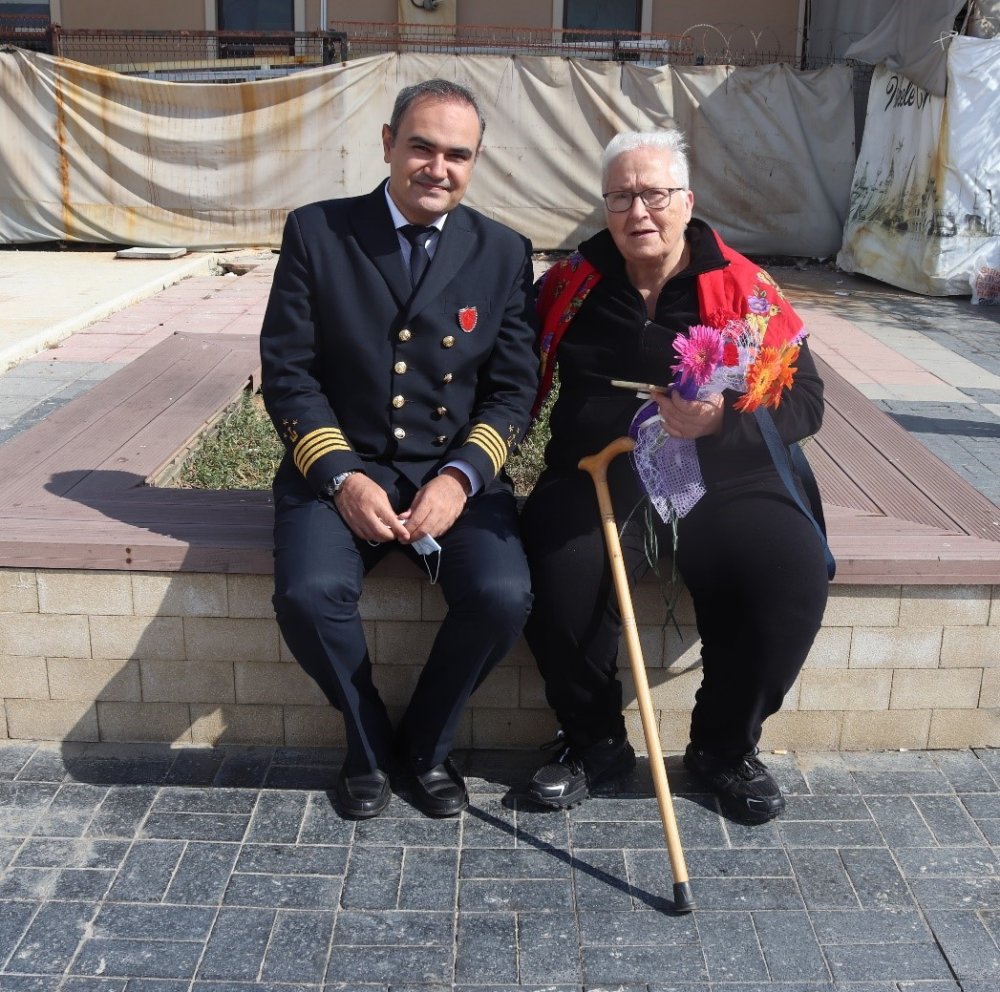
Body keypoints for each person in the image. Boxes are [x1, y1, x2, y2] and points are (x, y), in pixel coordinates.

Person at [520, 128, 829, 824]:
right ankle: (594, 744)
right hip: (602, 473)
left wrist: (722, 423)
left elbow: (806, 401)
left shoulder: (743, 287)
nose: (639, 212)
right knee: (558, 572)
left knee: (788, 575)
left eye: (655, 195)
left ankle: (724, 747)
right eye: (621, 196)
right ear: (604, 206)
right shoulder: (570, 286)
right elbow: (510, 374)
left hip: (728, 474)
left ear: (687, 201)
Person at [260, 79, 538, 820]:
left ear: (475, 162)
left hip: (451, 471)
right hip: (342, 464)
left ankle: (424, 746)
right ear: (387, 144)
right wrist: (341, 477)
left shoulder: (503, 251)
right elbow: (288, 375)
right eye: (421, 147)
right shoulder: (319, 232)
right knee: (309, 596)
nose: (437, 168)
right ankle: (369, 747)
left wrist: (461, 478)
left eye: (457, 154)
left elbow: (514, 391)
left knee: (502, 596)